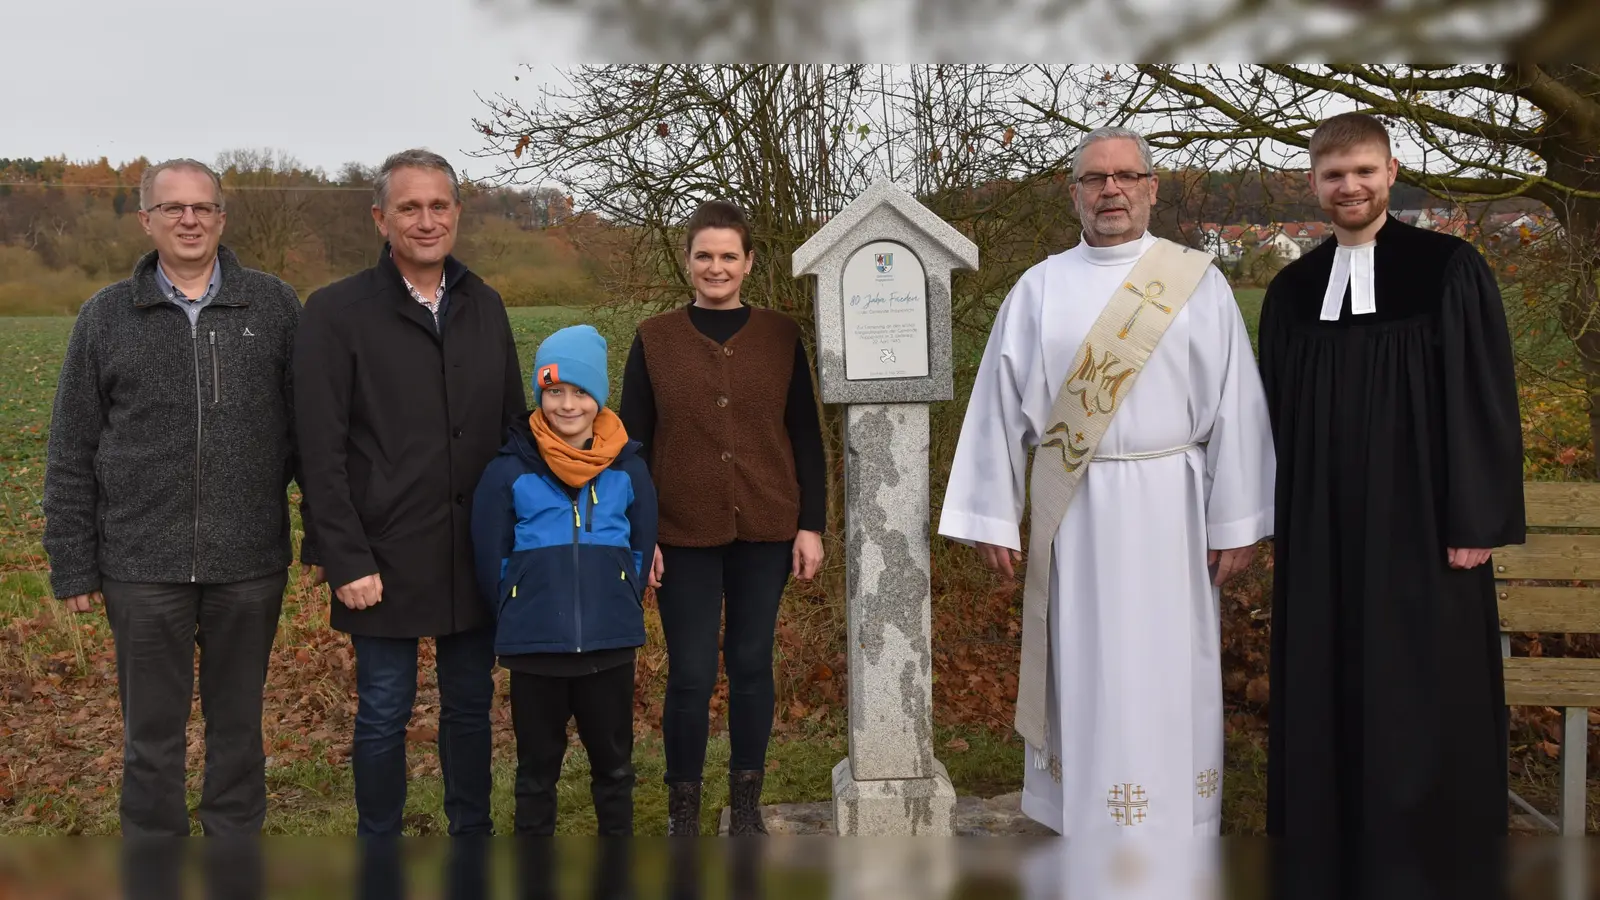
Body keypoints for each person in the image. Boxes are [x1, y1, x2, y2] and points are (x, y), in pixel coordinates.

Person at [938, 126, 1276, 838]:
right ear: (1074, 195)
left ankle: (1178, 826)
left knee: (1169, 666)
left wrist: (1236, 519)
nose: (1111, 190)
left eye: (1125, 176)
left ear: (1151, 188)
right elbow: (998, 405)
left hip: (1174, 509)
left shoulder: (1198, 282)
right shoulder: (1039, 289)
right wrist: (992, 513)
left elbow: (1237, 406)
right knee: (1088, 666)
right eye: (1095, 178)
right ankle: (1088, 825)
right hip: (1077, 510)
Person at [1258, 112, 1525, 840]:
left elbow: (1484, 397)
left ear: (1391, 173)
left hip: (1427, 528)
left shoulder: (1449, 268)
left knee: (1423, 682)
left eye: (1364, 171)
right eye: (1334, 175)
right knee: (1329, 677)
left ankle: (1434, 855)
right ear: (1313, 183)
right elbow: (1270, 417)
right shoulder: (1291, 290)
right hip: (1322, 531)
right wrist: (1274, 521)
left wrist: (1475, 520)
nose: (1350, 186)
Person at [41, 158, 312, 838]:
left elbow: (312, 434)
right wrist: (72, 561)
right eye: (172, 208)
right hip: (140, 566)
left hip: (248, 563)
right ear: (147, 220)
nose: (189, 220)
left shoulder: (275, 306)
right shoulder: (105, 316)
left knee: (239, 730)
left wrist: (329, 535)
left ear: (221, 217)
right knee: (151, 738)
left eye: (202, 207)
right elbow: (71, 447)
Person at [293, 148, 526, 836]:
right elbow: (319, 450)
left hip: (473, 550)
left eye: (439, 205)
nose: (427, 221)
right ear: (381, 218)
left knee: (470, 706)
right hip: (380, 555)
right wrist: (344, 557)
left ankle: (471, 840)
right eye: (410, 207)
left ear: (457, 212)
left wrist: (520, 540)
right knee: (384, 709)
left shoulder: (485, 305)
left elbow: (513, 430)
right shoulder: (336, 312)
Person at [617, 200, 827, 835]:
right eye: (704, 255)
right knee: (690, 673)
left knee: (751, 663)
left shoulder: (780, 336)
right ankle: (683, 813)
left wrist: (811, 524)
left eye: (728, 256)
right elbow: (632, 446)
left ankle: (746, 807)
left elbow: (805, 435)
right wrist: (641, 535)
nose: (717, 267)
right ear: (687, 262)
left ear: (749, 262)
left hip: (767, 526)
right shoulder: (655, 339)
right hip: (680, 533)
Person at [472, 325, 658, 836]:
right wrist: (518, 604)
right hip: (536, 648)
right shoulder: (508, 471)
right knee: (536, 775)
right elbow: (491, 556)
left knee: (615, 770)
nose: (568, 405)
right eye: (554, 391)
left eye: (580, 392)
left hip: (609, 644)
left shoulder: (629, 470)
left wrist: (621, 595)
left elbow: (640, 547)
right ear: (540, 393)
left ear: (599, 397)